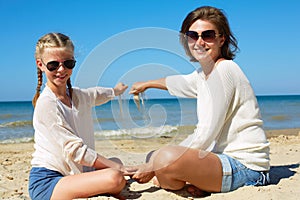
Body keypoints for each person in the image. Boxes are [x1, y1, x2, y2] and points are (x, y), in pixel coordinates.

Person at [129, 6, 270, 196]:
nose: (199, 42)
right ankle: (186, 181)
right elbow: (179, 83)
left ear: (222, 39)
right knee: (155, 156)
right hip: (220, 159)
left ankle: (179, 180)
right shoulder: (204, 74)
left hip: (246, 168)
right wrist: (147, 84)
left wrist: (154, 166)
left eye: (208, 35)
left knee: (163, 158)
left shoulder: (225, 70)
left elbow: (206, 133)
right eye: (193, 36)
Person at [29, 32, 129, 200]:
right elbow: (76, 151)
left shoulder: (76, 96)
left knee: (115, 162)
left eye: (68, 63)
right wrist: (121, 169)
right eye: (53, 65)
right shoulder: (47, 103)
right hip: (49, 182)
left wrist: (116, 91)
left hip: (74, 172)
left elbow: (96, 94)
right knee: (115, 176)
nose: (62, 70)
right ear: (41, 64)